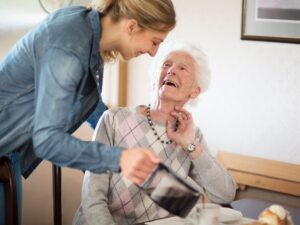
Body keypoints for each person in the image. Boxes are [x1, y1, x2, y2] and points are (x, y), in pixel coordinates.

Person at [0, 0, 176, 224]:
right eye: (154, 42)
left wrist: (127, 142)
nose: (154, 53)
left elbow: (91, 106)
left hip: (9, 152)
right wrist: (121, 158)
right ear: (132, 26)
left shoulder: (87, 30)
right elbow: (47, 141)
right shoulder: (69, 46)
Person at [73, 42, 237, 225]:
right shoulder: (114, 120)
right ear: (155, 78)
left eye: (183, 68)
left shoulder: (191, 136)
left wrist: (190, 146)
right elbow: (93, 198)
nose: (171, 70)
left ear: (195, 91)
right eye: (166, 65)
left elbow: (225, 194)